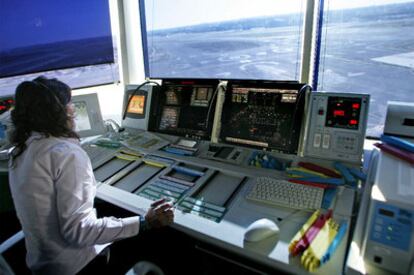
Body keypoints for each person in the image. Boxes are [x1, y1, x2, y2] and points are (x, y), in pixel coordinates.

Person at [8, 76, 174, 275]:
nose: (73, 109)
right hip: (78, 266)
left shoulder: (20, 150)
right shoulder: (66, 155)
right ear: (58, 112)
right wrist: (145, 222)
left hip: (42, 262)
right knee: (164, 242)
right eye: (69, 103)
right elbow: (79, 232)